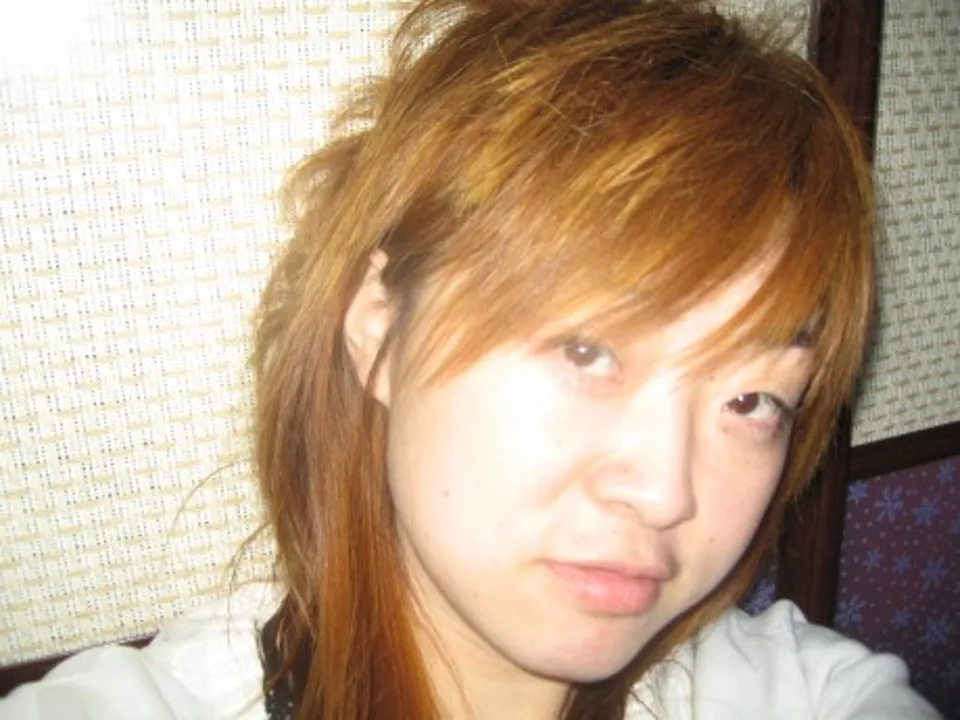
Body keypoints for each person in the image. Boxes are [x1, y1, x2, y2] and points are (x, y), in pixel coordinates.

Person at [0, 0, 944, 718]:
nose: (666, 492)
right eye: (586, 349)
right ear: (379, 327)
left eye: (752, 400)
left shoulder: (800, 695)